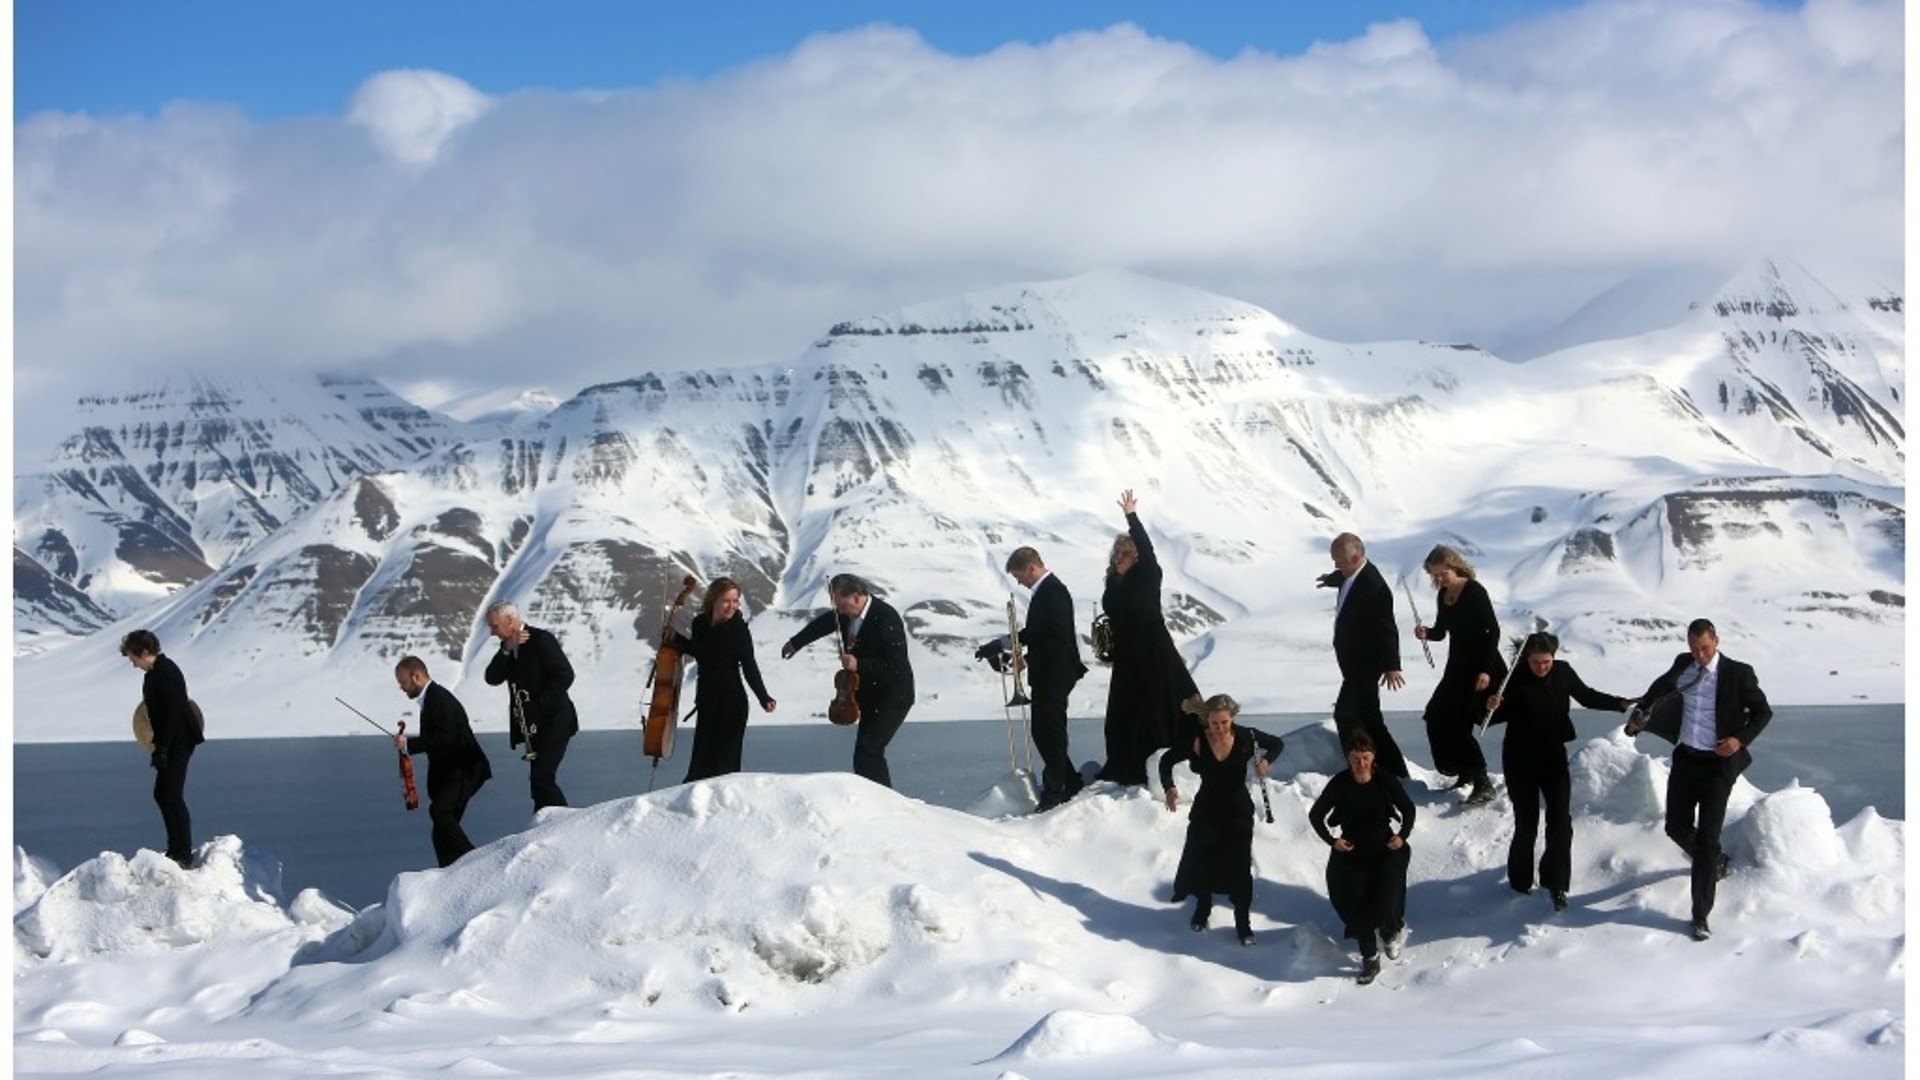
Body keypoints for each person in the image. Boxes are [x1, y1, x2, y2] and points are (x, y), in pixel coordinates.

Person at [1626, 618, 1772, 941]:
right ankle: (1715, 862)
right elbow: (1660, 687)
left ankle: (1700, 915)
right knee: (1675, 827)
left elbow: (1763, 712)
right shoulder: (1684, 664)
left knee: (1706, 840)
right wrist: (1641, 711)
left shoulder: (1738, 673)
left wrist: (1739, 740)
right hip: (1686, 760)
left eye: (1704, 648)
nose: (1699, 655)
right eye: (1693, 648)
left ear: (1716, 641)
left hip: (1718, 767)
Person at [1484, 632, 1631, 909]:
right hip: (1519, 757)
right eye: (1536, 662)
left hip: (1553, 754)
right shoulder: (1511, 678)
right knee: (1526, 821)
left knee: (1560, 819)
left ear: (1554, 657)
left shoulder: (1562, 672)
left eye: (1547, 662)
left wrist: (1620, 703)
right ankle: (1520, 883)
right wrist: (1490, 704)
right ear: (1525, 659)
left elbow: (1586, 696)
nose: (1542, 667)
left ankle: (1556, 882)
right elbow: (1488, 718)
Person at [1159, 694, 1283, 946]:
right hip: (1207, 810)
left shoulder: (1247, 736)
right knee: (1204, 860)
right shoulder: (1197, 741)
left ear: (1232, 718)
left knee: (1240, 865)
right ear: (1207, 720)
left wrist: (1266, 761)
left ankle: (1243, 922)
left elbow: (1278, 743)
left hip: (1238, 811)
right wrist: (1169, 787)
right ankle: (1203, 908)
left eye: (1224, 722)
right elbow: (1166, 760)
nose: (1220, 728)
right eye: (1215, 723)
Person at [1099, 490, 1200, 785]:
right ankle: (1124, 765)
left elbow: (1146, 546)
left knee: (1158, 708)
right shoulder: (1114, 582)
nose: (1118, 558)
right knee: (1122, 712)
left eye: (1124, 554)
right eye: (1115, 554)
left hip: (1153, 649)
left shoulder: (1148, 574)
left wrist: (1131, 516)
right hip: (1126, 654)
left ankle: (1166, 764)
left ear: (1136, 556)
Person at [782, 574, 915, 787]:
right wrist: (796, 643)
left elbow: (895, 666)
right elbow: (825, 623)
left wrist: (858, 665)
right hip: (870, 693)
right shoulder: (845, 614)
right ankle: (874, 800)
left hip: (893, 696)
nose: (839, 610)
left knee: (869, 751)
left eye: (841, 604)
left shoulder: (885, 618)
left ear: (856, 597)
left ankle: (884, 803)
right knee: (864, 753)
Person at [1308, 730, 1415, 985]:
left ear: (1373, 757)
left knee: (1388, 896)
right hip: (1353, 851)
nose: (1361, 764)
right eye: (1356, 758)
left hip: (1384, 848)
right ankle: (1369, 957)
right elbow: (1316, 814)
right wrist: (1333, 841)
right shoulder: (1340, 782)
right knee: (1354, 902)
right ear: (1348, 758)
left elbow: (1408, 808)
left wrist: (1402, 836)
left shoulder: (1384, 780)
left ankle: (1390, 932)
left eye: (1365, 758)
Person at [995, 547, 1089, 810]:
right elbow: (1037, 632)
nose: (1018, 582)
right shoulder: (1046, 592)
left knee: (1051, 733)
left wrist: (1026, 660)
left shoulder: (1054, 592)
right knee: (1043, 732)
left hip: (1056, 673)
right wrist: (1000, 643)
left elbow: (1057, 639)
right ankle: (1069, 781)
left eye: (1018, 576)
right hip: (1049, 672)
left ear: (1030, 568)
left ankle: (1054, 793)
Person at [1413, 544, 1504, 804]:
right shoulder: (1443, 595)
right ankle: (1459, 770)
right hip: (1456, 666)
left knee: (1455, 719)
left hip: (1481, 666)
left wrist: (1486, 670)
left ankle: (1483, 781)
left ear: (1454, 566)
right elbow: (1442, 632)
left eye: (1442, 574)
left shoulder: (1474, 591)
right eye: (1435, 576)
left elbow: (1493, 632)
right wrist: (1426, 633)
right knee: (1435, 715)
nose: (1439, 579)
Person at [1318, 533, 1410, 778]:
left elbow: (1387, 627)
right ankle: (1396, 771)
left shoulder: (1374, 587)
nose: (1336, 566)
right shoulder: (1353, 575)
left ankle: (1359, 769)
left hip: (1366, 664)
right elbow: (1346, 580)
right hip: (1352, 663)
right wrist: (1332, 579)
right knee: (1370, 718)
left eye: (1339, 562)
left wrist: (1392, 665)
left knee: (1346, 714)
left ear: (1356, 557)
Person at [674, 577, 777, 782]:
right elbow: (701, 652)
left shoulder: (739, 630)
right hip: (706, 701)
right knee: (700, 768)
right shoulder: (700, 624)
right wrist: (675, 639)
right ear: (713, 600)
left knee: (724, 770)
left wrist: (764, 697)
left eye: (735, 601)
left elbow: (749, 667)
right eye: (726, 600)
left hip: (732, 704)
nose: (732, 606)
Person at [393, 655, 493, 867]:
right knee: (441, 829)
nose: (402, 688)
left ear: (417, 676)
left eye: (403, 682)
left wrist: (410, 745)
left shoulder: (439, 699)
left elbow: (446, 737)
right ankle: (449, 873)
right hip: (458, 771)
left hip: (465, 769)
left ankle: (477, 863)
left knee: (440, 813)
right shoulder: (432, 698)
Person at [482, 600, 580, 811]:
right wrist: (507, 650)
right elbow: (491, 677)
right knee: (537, 783)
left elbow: (565, 676)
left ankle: (565, 825)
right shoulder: (508, 646)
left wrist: (535, 708)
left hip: (556, 720)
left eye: (494, 626)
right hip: (534, 727)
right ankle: (542, 827)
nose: (492, 632)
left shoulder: (541, 640)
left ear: (510, 621)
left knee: (542, 777)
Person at [120, 629, 203, 870]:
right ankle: (176, 849)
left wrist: (162, 750)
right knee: (166, 794)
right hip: (172, 742)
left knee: (169, 795)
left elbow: (172, 716)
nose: (133, 665)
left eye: (133, 659)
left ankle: (182, 853)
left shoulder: (165, 673)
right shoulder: (156, 673)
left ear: (144, 652)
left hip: (178, 742)